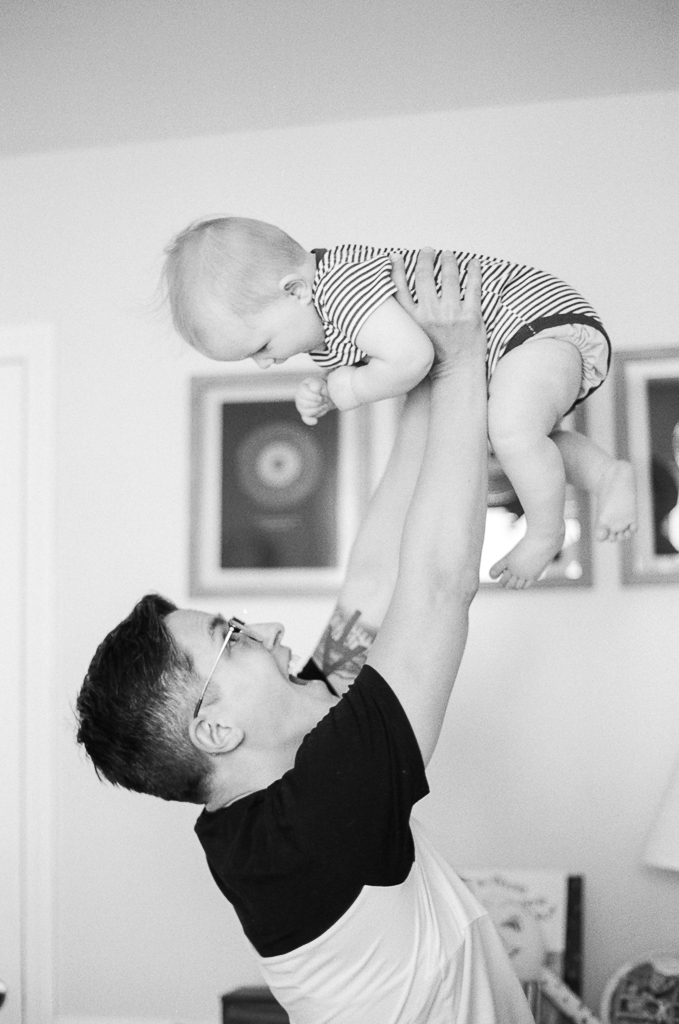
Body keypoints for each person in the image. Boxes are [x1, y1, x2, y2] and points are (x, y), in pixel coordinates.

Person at [77, 251, 534, 1023]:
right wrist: (460, 364)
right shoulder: (315, 822)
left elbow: (373, 579)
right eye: (234, 637)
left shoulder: (275, 797)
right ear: (215, 727)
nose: (271, 627)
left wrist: (419, 377)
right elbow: (434, 588)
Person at [162, 216, 637, 588]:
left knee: (513, 432)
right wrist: (328, 387)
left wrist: (345, 390)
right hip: (516, 348)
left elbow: (412, 358)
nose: (265, 363)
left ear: (296, 290)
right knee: (515, 435)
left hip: (531, 324)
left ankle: (546, 532)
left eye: (261, 347)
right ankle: (604, 474)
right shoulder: (323, 316)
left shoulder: (342, 290)